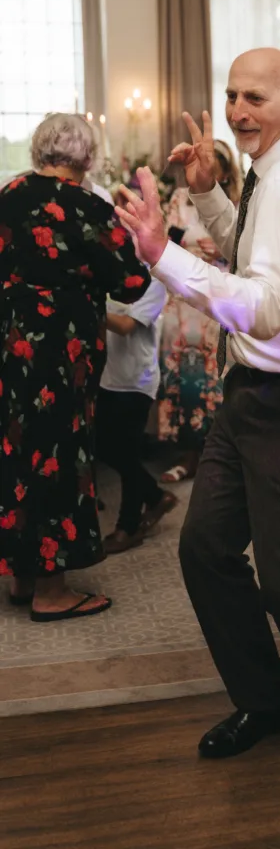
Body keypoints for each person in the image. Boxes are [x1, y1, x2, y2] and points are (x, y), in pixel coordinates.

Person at [116, 48, 280, 776]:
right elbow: (259, 257)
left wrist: (162, 255)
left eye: (255, 98)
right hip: (248, 398)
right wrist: (208, 197)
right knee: (204, 549)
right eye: (233, 95)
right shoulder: (273, 172)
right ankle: (265, 702)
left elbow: (267, 307)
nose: (238, 110)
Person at [0, 113, 150, 620]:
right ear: (87, 159)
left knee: (18, 453)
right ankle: (51, 591)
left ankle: (22, 577)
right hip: (63, 357)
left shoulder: (8, 194)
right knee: (59, 460)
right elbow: (131, 283)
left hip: (10, 347)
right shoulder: (87, 206)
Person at [157, 141, 243, 483]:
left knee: (214, 379)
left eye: (218, 170)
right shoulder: (181, 199)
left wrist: (223, 251)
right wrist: (191, 247)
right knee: (182, 378)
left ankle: (219, 455)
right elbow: (166, 239)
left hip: (218, 303)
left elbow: (247, 256)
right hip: (182, 304)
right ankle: (187, 454)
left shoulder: (237, 204)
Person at [97, 277, 178, 554]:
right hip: (107, 377)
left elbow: (124, 326)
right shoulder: (107, 275)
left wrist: (84, 304)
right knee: (103, 447)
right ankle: (156, 497)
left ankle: (128, 527)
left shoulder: (152, 284)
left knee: (128, 452)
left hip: (137, 381)